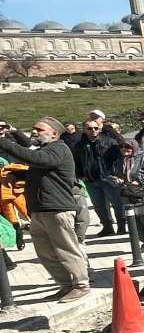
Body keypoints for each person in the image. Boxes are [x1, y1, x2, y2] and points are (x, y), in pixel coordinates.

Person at [0, 117, 91, 302]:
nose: (34, 132)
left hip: (56, 208)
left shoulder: (58, 148)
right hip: (39, 209)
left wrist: (3, 141)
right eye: (34, 128)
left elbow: (37, 159)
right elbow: (38, 169)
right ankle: (66, 285)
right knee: (46, 252)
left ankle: (81, 285)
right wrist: (17, 174)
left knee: (66, 249)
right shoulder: (46, 151)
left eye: (39, 129)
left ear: (54, 134)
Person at [74, 119, 123, 237]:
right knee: (99, 205)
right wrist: (81, 175)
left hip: (109, 178)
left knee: (117, 203)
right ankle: (107, 227)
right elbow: (76, 162)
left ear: (100, 128)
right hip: (91, 180)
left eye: (95, 128)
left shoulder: (110, 142)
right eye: (89, 128)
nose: (93, 131)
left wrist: (116, 175)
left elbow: (119, 160)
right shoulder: (79, 145)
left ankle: (122, 226)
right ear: (84, 130)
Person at [108, 139, 144, 247]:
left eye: (127, 147)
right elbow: (110, 175)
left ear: (134, 147)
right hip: (127, 195)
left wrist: (140, 180)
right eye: (121, 147)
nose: (124, 149)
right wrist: (115, 180)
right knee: (134, 221)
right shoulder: (118, 162)